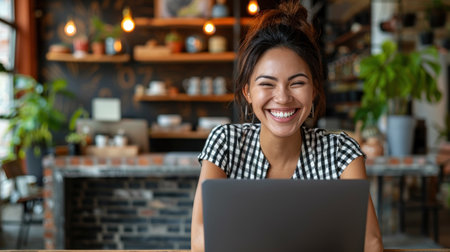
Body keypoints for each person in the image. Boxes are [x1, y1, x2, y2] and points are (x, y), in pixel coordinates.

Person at [190, 1, 383, 251]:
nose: (282, 97)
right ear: (248, 92)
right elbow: (201, 239)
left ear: (313, 90)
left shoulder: (341, 152)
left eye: (297, 83)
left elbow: (370, 243)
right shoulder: (225, 143)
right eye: (267, 84)